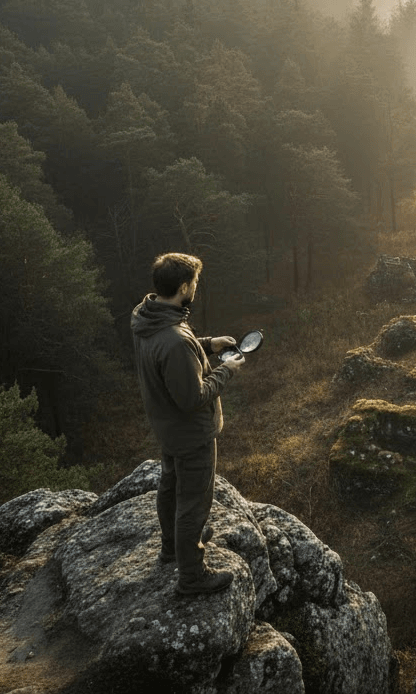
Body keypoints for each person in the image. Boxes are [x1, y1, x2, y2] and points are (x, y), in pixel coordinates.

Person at [131, 252, 245, 596]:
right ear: (183, 287)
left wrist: (208, 344)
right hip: (191, 433)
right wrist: (226, 370)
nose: (197, 287)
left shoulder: (146, 315)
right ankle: (192, 575)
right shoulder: (176, 340)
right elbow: (193, 397)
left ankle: (172, 547)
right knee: (193, 503)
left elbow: (171, 353)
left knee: (170, 487)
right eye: (194, 283)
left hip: (166, 427)